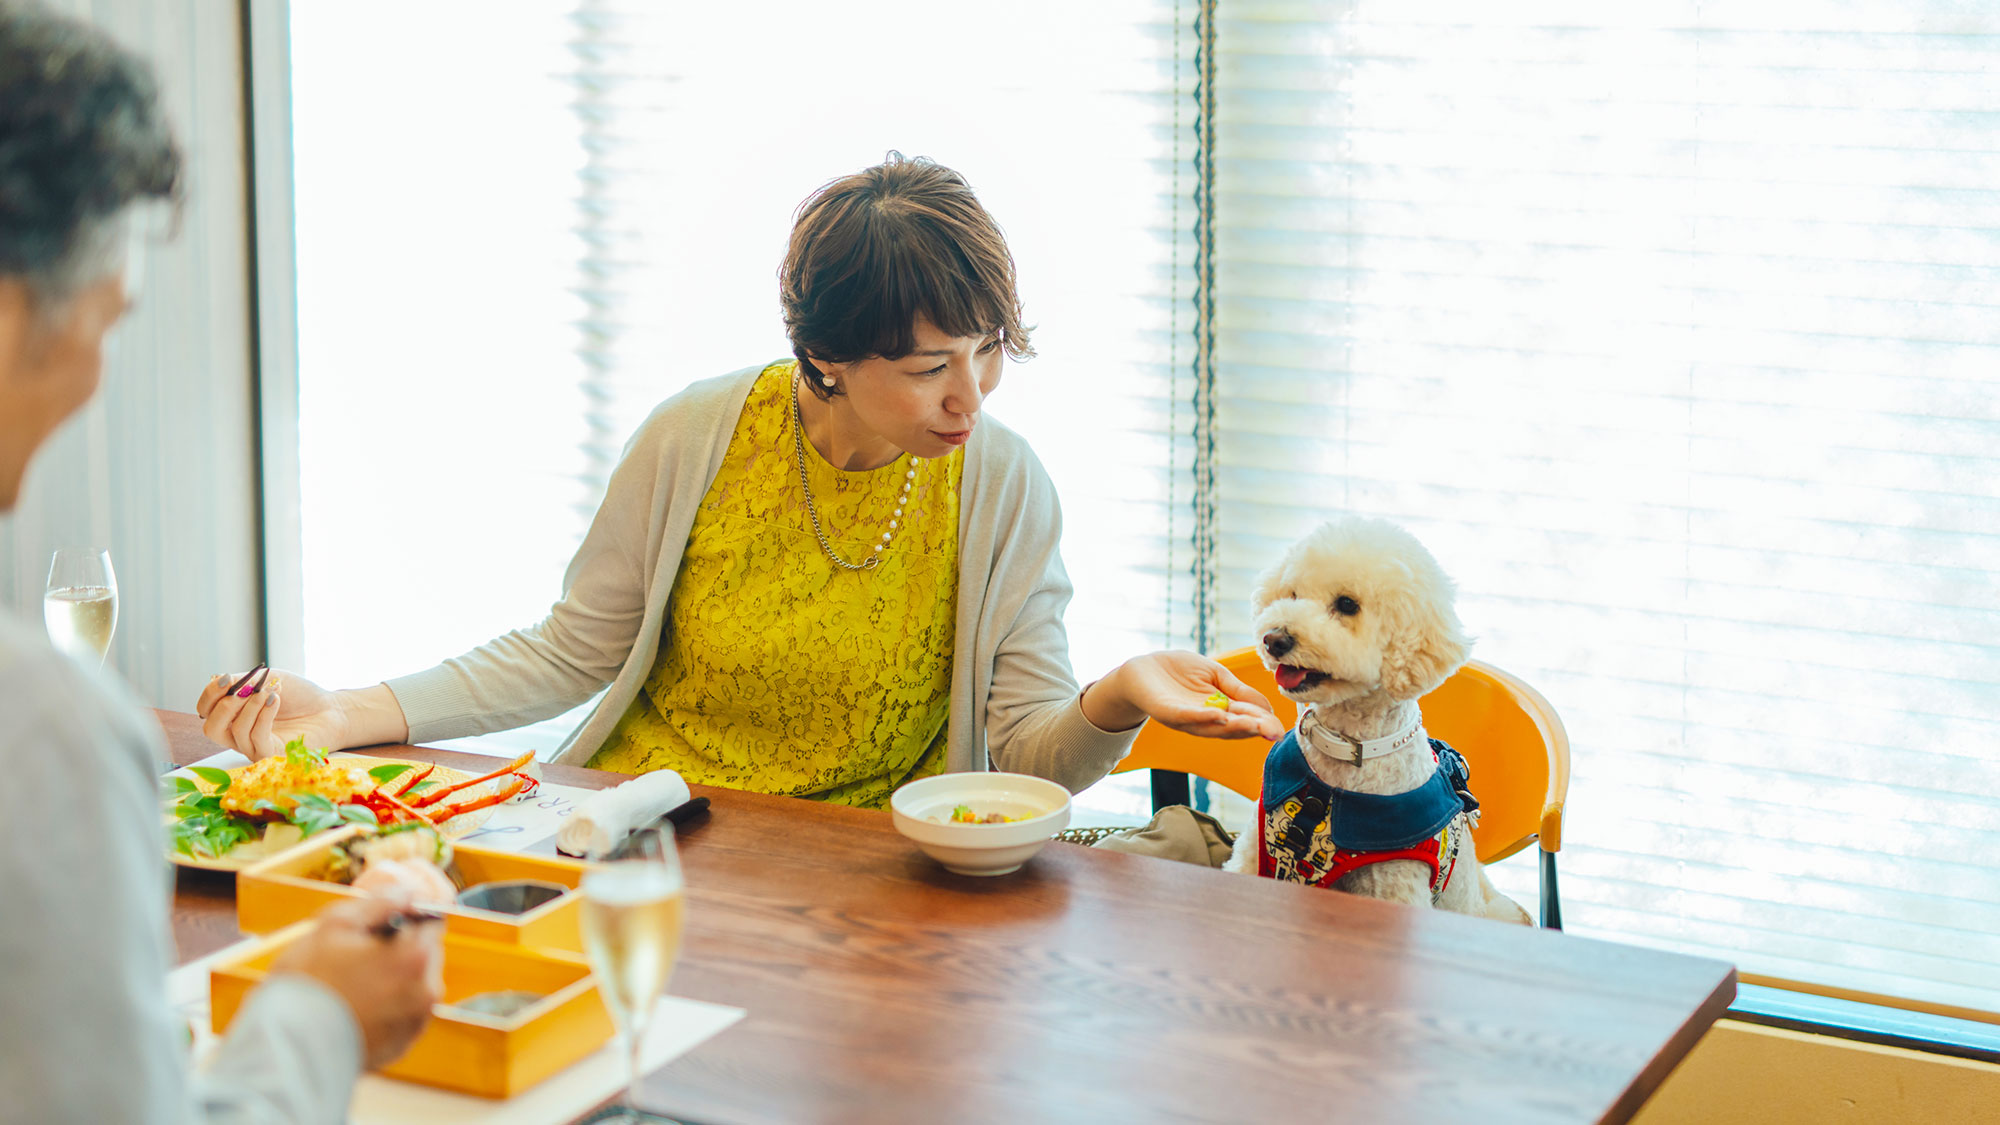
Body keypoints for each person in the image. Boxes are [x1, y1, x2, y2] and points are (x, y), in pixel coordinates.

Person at [197, 155, 1283, 806]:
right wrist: (349, 709)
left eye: (984, 350)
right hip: (643, 826)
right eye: (925, 369)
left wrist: (1115, 698)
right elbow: (573, 648)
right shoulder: (697, 436)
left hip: (853, 876)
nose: (971, 397)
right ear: (827, 360)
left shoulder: (1000, 486)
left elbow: (1025, 765)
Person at [0, 4, 438, 1120]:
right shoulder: (40, 728)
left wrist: (342, 709)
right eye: (109, 316)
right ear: (13, 323)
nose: (98, 365)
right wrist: (317, 1011)